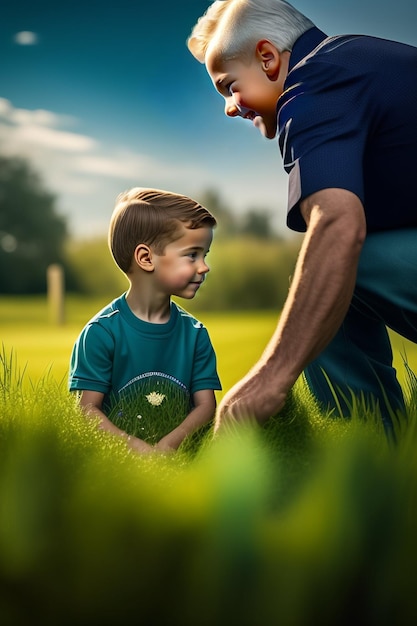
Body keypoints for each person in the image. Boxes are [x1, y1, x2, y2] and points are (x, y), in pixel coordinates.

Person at [187, 0, 417, 435]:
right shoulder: (354, 60)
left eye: (229, 85)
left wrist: (270, 378)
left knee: (334, 269)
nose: (230, 108)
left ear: (268, 58)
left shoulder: (313, 86)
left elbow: (337, 225)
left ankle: (371, 454)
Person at [69, 187, 221, 454]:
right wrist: (134, 448)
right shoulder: (102, 333)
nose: (204, 266)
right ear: (146, 258)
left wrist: (170, 444)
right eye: (192, 255)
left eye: (204, 255)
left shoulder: (195, 334)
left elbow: (206, 406)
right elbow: (87, 409)